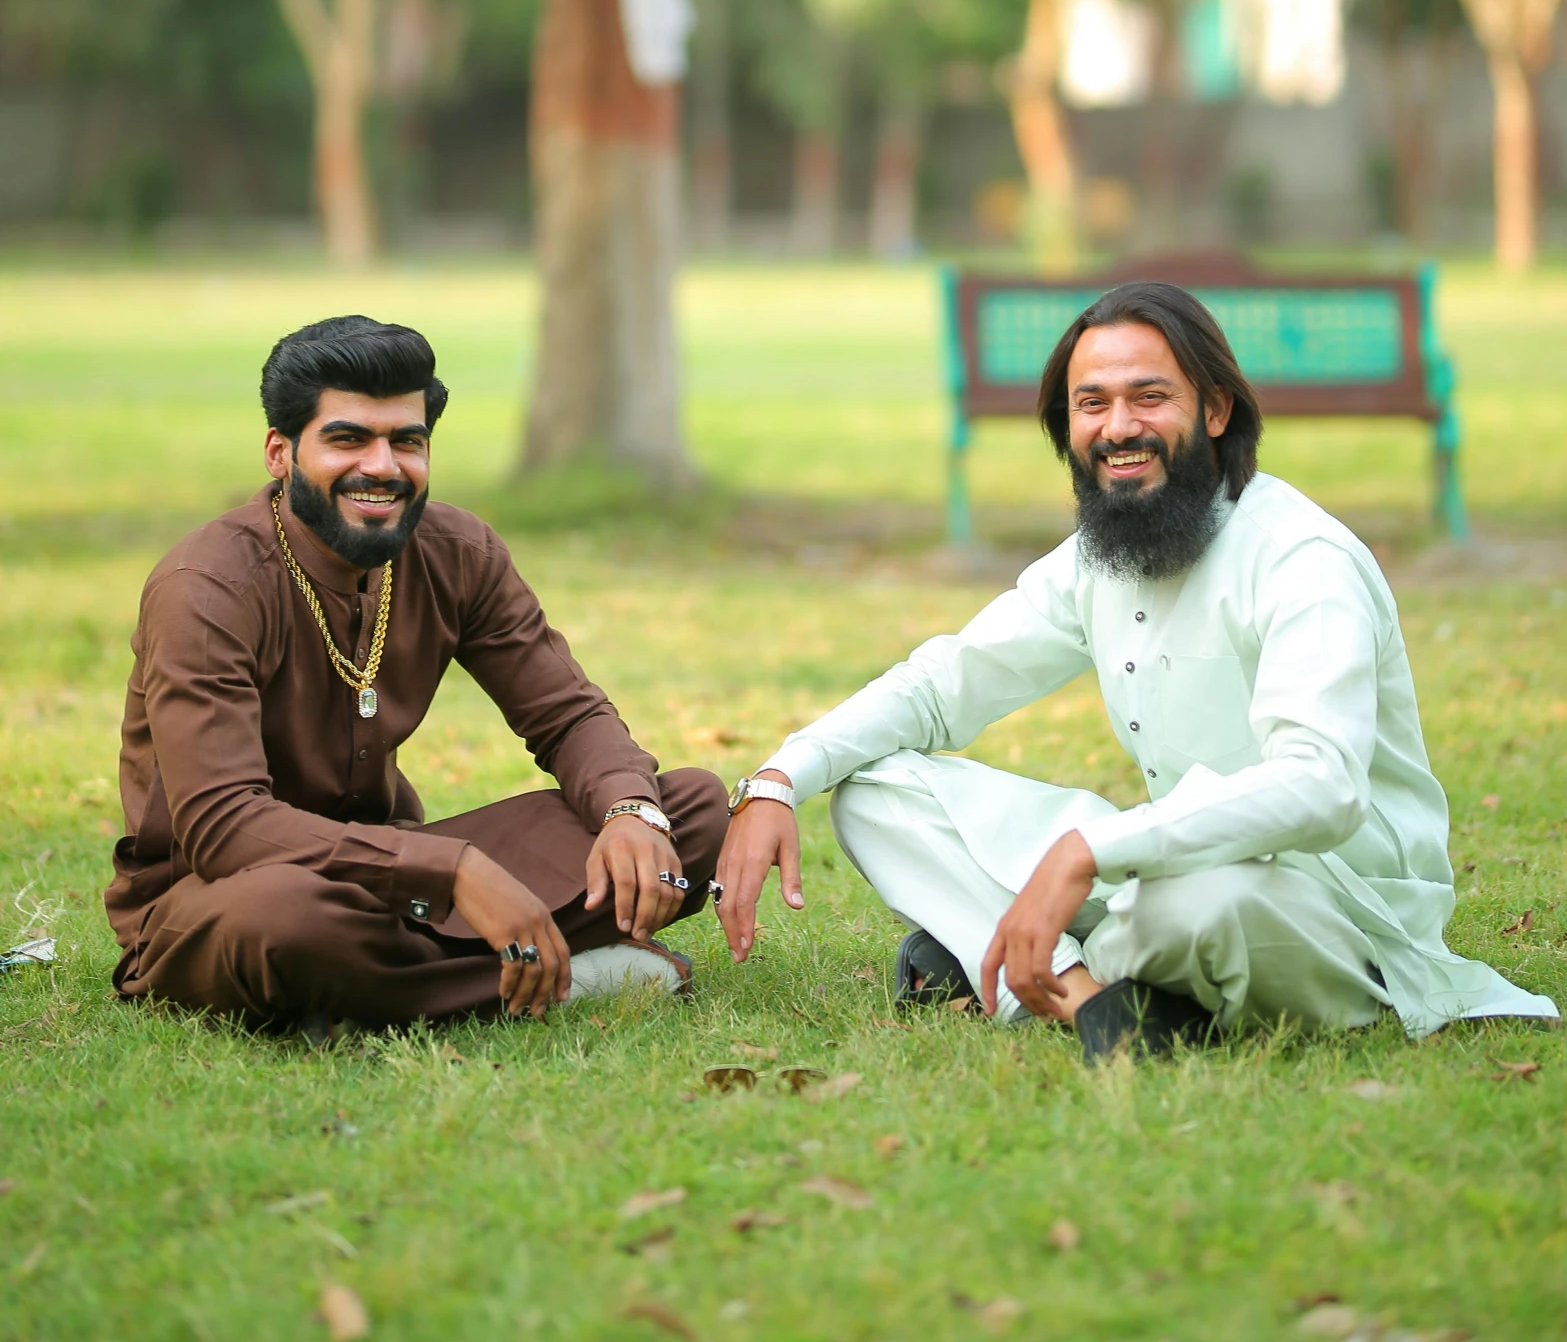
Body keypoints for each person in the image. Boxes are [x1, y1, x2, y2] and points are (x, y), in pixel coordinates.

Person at [714, 282, 1558, 1056]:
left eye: (1148, 397)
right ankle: (1082, 999)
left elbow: (1321, 786)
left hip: (1332, 907)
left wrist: (1091, 849)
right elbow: (943, 683)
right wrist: (780, 777)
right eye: (1092, 404)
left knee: (1196, 903)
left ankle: (999, 957)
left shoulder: (1302, 557)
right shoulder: (1098, 557)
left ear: (1216, 409)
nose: (1117, 427)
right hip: (1162, 864)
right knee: (874, 791)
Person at [107, 315, 725, 1031]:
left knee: (689, 811)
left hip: (399, 884)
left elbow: (567, 715)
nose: (383, 467)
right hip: (225, 890)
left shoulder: (457, 551)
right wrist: (452, 870)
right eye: (347, 439)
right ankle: (562, 977)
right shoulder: (206, 586)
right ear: (280, 452)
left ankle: (397, 988)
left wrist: (630, 812)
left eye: (407, 440)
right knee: (286, 922)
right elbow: (222, 826)